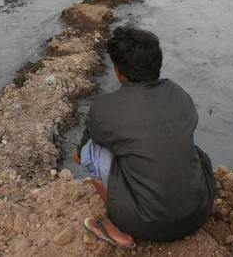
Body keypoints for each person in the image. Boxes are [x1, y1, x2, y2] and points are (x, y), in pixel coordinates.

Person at [74, 26, 216, 249]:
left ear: (119, 72)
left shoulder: (105, 107)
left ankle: (118, 228)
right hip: (200, 210)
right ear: (157, 63)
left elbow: (80, 154)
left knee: (90, 150)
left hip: (146, 223)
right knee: (176, 143)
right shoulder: (178, 93)